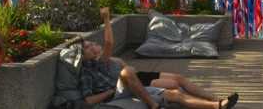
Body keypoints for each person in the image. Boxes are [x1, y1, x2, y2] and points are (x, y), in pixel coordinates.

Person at [57, 6, 239, 109]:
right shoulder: (89, 70)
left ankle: (218, 104)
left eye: (91, 44)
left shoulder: (101, 62)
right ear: (83, 56)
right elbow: (109, 44)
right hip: (120, 88)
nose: (92, 45)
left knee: (175, 91)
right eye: (88, 47)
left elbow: (108, 49)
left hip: (130, 82)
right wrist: (106, 19)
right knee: (132, 72)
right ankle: (154, 105)